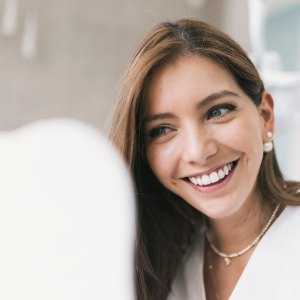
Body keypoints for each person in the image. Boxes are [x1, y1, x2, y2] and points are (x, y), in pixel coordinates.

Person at [109, 18, 300, 300]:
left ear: (265, 117)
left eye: (218, 111)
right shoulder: (161, 265)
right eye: (163, 130)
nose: (198, 152)